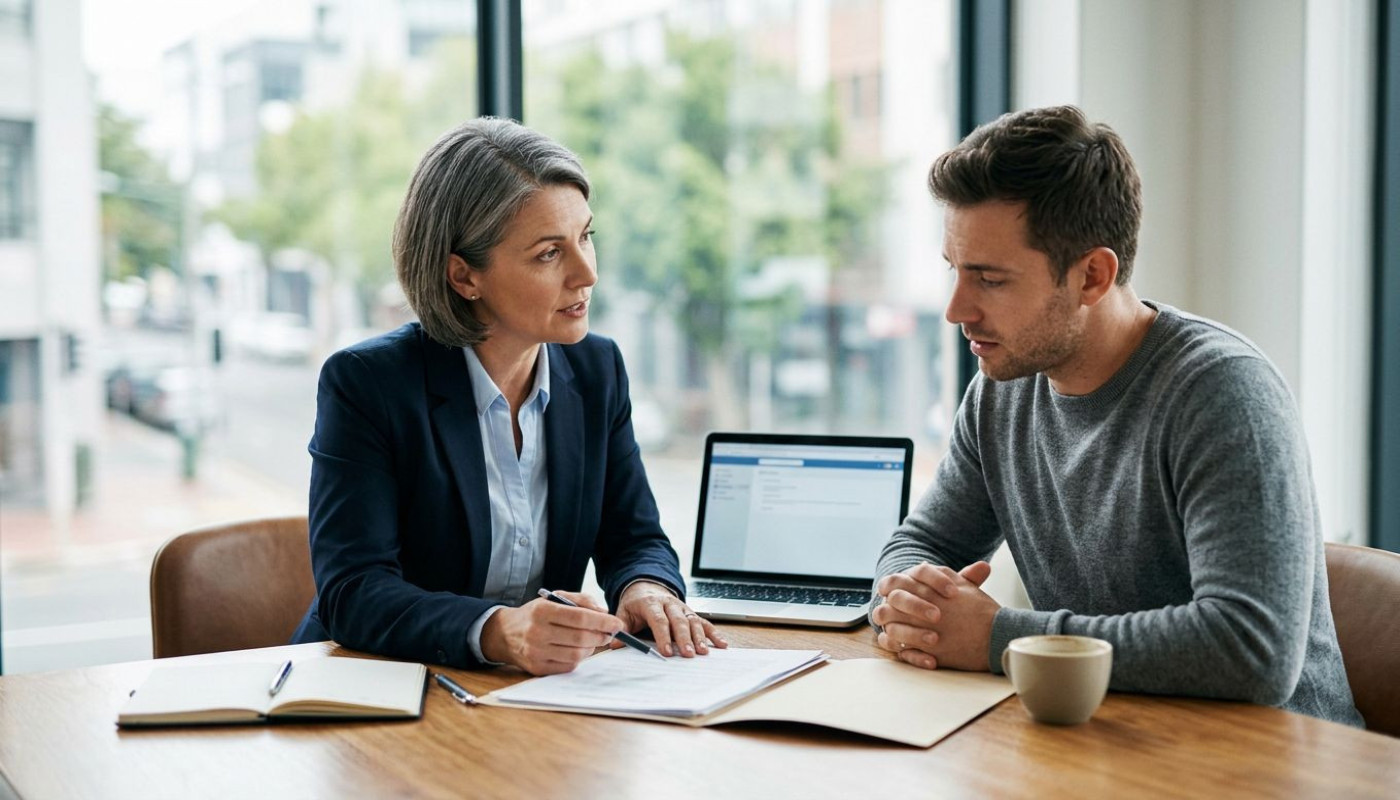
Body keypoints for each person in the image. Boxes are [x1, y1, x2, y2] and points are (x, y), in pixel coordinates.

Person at [870, 105, 1362, 725]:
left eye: (989, 280)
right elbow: (921, 542)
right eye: (955, 272)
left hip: (1277, 767)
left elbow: (1251, 649)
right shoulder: (1001, 389)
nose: (955, 310)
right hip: (1110, 741)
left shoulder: (1222, 392)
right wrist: (904, 599)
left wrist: (1001, 639)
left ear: (1092, 276)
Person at [291, 118, 726, 675]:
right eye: (549, 253)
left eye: (586, 237)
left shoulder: (597, 370)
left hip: (523, 699)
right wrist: (499, 631)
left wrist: (647, 586)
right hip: (380, 688)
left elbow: (633, 534)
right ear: (464, 276)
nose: (586, 273)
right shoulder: (368, 384)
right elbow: (353, 591)